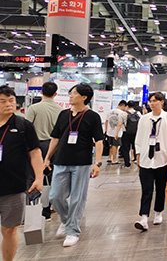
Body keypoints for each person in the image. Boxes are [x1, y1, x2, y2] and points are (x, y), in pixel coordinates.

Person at [44, 83, 103, 247]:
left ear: (84, 97)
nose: (70, 95)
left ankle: (72, 232)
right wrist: (47, 157)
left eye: (74, 93)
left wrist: (97, 163)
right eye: (70, 93)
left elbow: (99, 141)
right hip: (61, 161)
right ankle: (67, 221)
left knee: (77, 199)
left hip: (82, 163)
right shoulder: (63, 114)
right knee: (55, 196)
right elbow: (55, 138)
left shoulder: (93, 117)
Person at [0, 86, 43, 261]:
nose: (8, 104)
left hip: (14, 187)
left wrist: (39, 178)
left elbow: (35, 153)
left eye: (11, 100)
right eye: (2, 101)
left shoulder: (23, 126)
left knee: (9, 229)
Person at [134, 92, 167, 231]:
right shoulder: (144, 119)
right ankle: (144, 218)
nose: (152, 104)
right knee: (146, 189)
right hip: (146, 158)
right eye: (150, 101)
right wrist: (138, 154)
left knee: (160, 188)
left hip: (162, 158)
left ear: (162, 102)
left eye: (155, 101)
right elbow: (139, 137)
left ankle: (158, 212)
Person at [25, 81, 62, 220]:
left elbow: (27, 127)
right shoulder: (60, 110)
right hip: (54, 147)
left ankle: (32, 208)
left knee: (33, 176)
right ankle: (48, 209)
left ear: (41, 92)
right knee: (52, 178)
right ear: (55, 94)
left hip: (37, 147)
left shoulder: (34, 108)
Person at [105, 100, 127, 164]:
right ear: (123, 106)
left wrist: (106, 130)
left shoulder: (110, 111)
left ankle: (109, 158)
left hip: (109, 131)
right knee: (115, 146)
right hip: (117, 132)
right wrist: (116, 133)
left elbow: (107, 121)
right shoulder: (122, 113)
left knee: (111, 145)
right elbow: (120, 124)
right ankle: (114, 160)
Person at [121, 101, 140, 168]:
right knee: (136, 147)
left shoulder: (124, 114)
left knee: (126, 148)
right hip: (136, 133)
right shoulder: (138, 113)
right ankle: (136, 160)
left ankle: (127, 163)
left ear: (127, 106)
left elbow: (120, 123)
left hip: (126, 133)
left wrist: (117, 133)